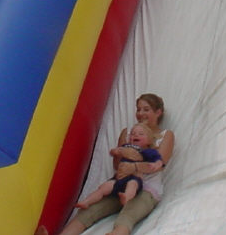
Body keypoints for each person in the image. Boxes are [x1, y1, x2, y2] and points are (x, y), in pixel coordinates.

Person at [39, 93, 175, 235]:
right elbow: (117, 165)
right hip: (121, 184)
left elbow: (160, 164)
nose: (141, 114)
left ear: (158, 112)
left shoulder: (166, 135)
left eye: (146, 109)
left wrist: (134, 166)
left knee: (126, 216)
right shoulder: (128, 133)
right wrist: (121, 154)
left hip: (147, 188)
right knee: (88, 212)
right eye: (138, 109)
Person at [75, 122, 162, 209]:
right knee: (103, 188)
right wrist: (116, 151)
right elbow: (113, 151)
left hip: (134, 177)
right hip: (119, 178)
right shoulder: (126, 146)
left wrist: (156, 164)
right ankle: (87, 202)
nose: (136, 135)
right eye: (132, 134)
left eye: (141, 134)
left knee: (132, 185)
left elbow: (158, 160)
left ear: (149, 140)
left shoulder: (146, 151)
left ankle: (126, 197)